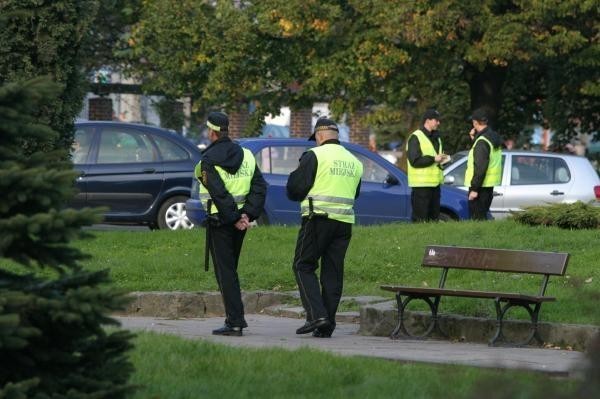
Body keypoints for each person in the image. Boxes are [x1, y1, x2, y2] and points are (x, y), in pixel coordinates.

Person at [286, 117, 363, 338]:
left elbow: (295, 189)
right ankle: (326, 325)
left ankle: (316, 315)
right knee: (333, 273)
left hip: (317, 219)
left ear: (319, 136)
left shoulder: (315, 155)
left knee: (303, 265)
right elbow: (354, 193)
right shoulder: (354, 161)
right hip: (344, 224)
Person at [194, 111, 267, 336]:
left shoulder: (207, 160)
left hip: (221, 221)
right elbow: (259, 187)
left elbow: (219, 193)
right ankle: (234, 319)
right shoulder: (246, 155)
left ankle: (235, 322)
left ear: (211, 132)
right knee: (230, 270)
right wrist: (247, 215)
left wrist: (235, 218)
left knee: (225, 273)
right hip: (240, 223)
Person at [406, 108, 448, 222]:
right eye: (436, 120)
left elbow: (436, 158)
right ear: (428, 120)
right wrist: (434, 159)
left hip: (435, 185)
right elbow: (414, 161)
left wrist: (443, 160)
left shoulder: (437, 138)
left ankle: (433, 240)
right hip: (421, 186)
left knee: (434, 219)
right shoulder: (415, 137)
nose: (438, 123)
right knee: (420, 220)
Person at [464, 108, 503, 220]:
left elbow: (480, 167)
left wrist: (474, 189)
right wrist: (474, 138)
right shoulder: (493, 137)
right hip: (488, 186)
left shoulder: (482, 141)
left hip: (480, 187)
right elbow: (487, 156)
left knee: (476, 221)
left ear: (475, 123)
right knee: (482, 219)